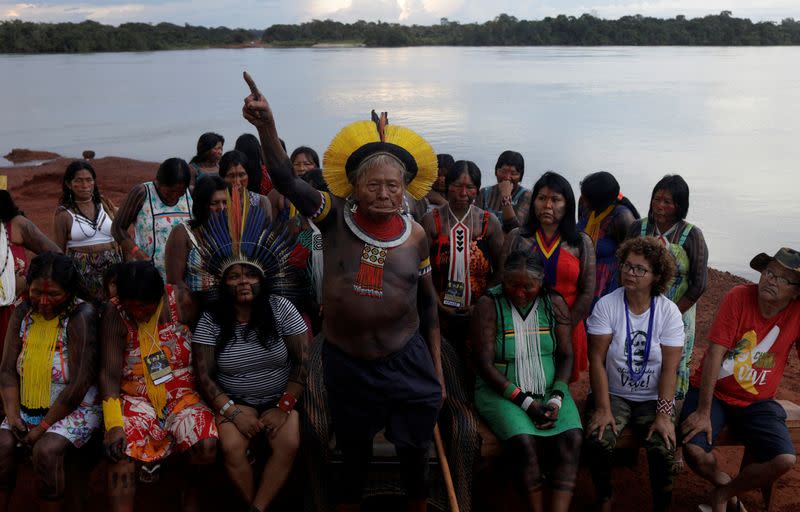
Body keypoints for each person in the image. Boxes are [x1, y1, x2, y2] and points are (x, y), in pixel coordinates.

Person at [242, 75, 443, 512]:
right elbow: (283, 178)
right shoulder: (333, 217)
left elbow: (428, 306)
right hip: (348, 361)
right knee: (352, 453)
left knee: (414, 452)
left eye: (394, 186)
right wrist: (267, 126)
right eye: (374, 185)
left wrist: (437, 371)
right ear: (353, 186)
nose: (385, 194)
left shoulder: (416, 236)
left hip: (406, 358)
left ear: (406, 188)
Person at [191, 200, 308, 512]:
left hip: (280, 398)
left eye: (250, 275)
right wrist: (232, 411)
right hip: (234, 401)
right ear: (223, 282)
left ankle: (258, 507)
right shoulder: (211, 319)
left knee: (289, 443)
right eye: (234, 276)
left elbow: (302, 363)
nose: (243, 282)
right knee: (230, 446)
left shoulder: (281, 308)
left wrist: (284, 407)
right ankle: (251, 501)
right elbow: (204, 376)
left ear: (262, 279)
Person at [680, 248, 800, 512]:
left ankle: (723, 494)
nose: (771, 280)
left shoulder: (797, 313)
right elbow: (714, 354)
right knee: (694, 450)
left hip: (758, 402)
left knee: (785, 460)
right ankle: (726, 487)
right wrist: (703, 411)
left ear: (796, 292)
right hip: (715, 393)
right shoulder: (739, 297)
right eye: (769, 272)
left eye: (783, 279)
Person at [99, 261, 217, 511]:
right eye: (130, 307)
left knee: (206, 445)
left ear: (160, 295)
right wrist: (113, 425)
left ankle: (191, 498)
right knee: (119, 451)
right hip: (136, 397)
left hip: (183, 395)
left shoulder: (182, 301)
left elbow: (205, 349)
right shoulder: (115, 312)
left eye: (143, 307)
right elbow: (109, 374)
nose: (136, 314)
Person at [472, 250, 582, 512]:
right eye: (512, 285)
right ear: (503, 280)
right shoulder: (490, 304)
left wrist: (556, 397)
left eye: (528, 287)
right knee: (524, 443)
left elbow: (567, 355)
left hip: (549, 390)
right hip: (500, 391)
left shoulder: (553, 303)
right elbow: (484, 365)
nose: (519, 292)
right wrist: (526, 402)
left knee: (573, 439)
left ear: (541, 282)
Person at [584, 236, 683, 512]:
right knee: (599, 439)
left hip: (653, 398)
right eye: (627, 265)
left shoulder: (668, 312)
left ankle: (662, 505)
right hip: (614, 393)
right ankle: (604, 496)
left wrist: (664, 415)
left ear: (656, 276)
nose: (630, 272)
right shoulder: (607, 305)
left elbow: (669, 368)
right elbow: (596, 359)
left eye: (640, 269)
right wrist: (603, 408)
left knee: (663, 446)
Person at [0, 252, 100, 511]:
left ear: (69, 290)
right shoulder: (23, 312)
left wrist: (41, 428)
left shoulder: (81, 315)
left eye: (53, 294)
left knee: (46, 451)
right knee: (2, 444)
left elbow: (78, 384)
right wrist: (12, 417)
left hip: (75, 407)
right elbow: (8, 371)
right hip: (26, 406)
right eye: (36, 292)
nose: (43, 302)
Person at [502, 171, 596, 382]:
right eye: (542, 198)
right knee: (525, 382)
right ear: (533, 201)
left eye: (555, 200)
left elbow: (587, 291)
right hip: (522, 326)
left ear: (567, 204)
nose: (547, 206)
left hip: (568, 326)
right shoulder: (517, 237)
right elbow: (503, 281)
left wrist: (565, 327)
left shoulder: (580, 242)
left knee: (561, 389)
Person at [627, 175, 708, 401]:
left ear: (679, 206)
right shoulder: (638, 228)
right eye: (656, 199)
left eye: (667, 202)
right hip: (638, 311)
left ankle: (670, 410)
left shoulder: (691, 235)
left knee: (672, 361)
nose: (660, 206)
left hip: (678, 313)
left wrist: (671, 314)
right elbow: (623, 269)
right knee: (637, 355)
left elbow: (699, 283)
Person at [421, 160, 502, 345]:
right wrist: (438, 305)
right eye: (457, 185)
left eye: (470, 187)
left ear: (478, 189)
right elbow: (422, 270)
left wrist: (480, 305)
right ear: (447, 186)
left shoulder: (488, 223)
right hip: (437, 310)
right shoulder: (431, 222)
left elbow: (500, 270)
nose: (463, 193)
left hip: (479, 309)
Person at [111, 157, 193, 281]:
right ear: (158, 182)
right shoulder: (142, 193)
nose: (174, 195)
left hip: (186, 275)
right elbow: (118, 228)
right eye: (170, 191)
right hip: (151, 275)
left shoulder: (191, 194)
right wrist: (138, 253)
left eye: (180, 192)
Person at [0, 190, 60, 356]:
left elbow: (55, 255)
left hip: (13, 312)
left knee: (14, 363)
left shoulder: (16, 224)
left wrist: (28, 280)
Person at [53, 160, 122, 302]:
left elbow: (125, 221)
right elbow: (58, 251)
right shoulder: (64, 213)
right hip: (82, 274)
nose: (85, 185)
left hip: (113, 270)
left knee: (115, 309)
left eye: (89, 180)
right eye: (79, 181)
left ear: (94, 182)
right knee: (89, 312)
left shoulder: (104, 204)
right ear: (68, 184)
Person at [577, 171, 640, 307]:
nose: (583, 199)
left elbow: (632, 257)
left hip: (607, 283)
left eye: (588, 198)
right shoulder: (584, 202)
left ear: (601, 202)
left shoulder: (622, 218)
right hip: (583, 273)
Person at [165, 174, 228, 301]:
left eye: (225, 202)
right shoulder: (183, 233)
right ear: (201, 205)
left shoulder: (233, 232)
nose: (221, 208)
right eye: (214, 203)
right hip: (194, 308)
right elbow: (175, 284)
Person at [476, 150, 532, 233]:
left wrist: (506, 197)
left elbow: (514, 229)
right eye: (503, 171)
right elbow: (475, 222)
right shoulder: (484, 193)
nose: (507, 177)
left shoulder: (527, 196)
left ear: (520, 177)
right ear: (496, 172)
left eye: (513, 173)